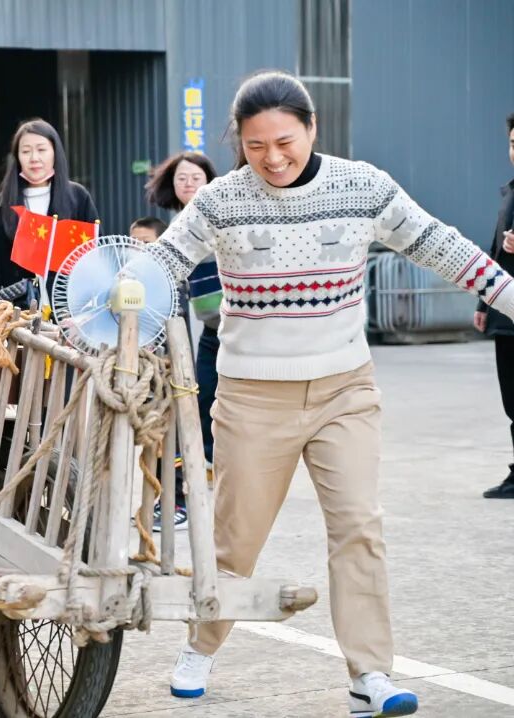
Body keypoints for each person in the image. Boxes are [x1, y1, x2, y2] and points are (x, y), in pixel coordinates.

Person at [151, 70, 514, 717]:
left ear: (312, 128)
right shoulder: (220, 200)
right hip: (253, 398)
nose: (273, 158)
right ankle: (201, 646)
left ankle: (369, 675)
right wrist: (114, 294)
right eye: (256, 146)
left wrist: (509, 295)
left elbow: (441, 245)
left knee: (359, 529)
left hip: (345, 390)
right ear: (239, 141)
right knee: (235, 541)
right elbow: (165, 260)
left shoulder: (362, 186)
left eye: (284, 142)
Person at [146, 151, 221, 531]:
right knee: (198, 402)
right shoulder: (174, 229)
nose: (189, 184)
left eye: (196, 177)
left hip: (237, 330)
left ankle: (212, 478)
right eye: (181, 179)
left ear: (210, 181)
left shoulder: (220, 217)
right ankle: (195, 482)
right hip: (203, 332)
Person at [0, 118, 99, 292]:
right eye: (26, 151)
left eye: (41, 149)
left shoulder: (78, 197)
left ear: (55, 152)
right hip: (20, 304)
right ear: (17, 157)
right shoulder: (5, 203)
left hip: (68, 302)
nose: (34, 158)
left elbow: (96, 252)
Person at [475, 112, 514, 499]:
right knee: (513, 400)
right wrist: (483, 302)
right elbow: (493, 253)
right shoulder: (509, 193)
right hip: (504, 313)